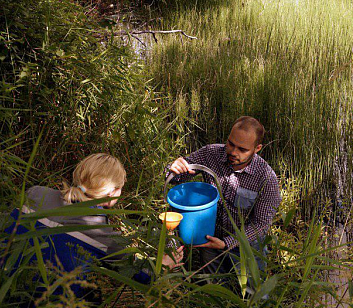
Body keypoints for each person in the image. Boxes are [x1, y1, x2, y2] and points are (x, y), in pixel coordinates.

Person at [26, 153, 184, 269]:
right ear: (112, 192)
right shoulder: (98, 230)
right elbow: (139, 273)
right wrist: (164, 265)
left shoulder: (35, 193)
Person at [168, 116, 281, 275]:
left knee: (251, 293)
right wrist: (174, 169)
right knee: (214, 287)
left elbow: (261, 224)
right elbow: (176, 177)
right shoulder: (210, 154)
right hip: (210, 240)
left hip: (246, 246)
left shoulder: (266, 178)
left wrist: (227, 243)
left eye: (242, 149)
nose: (233, 152)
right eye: (231, 144)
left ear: (257, 148)